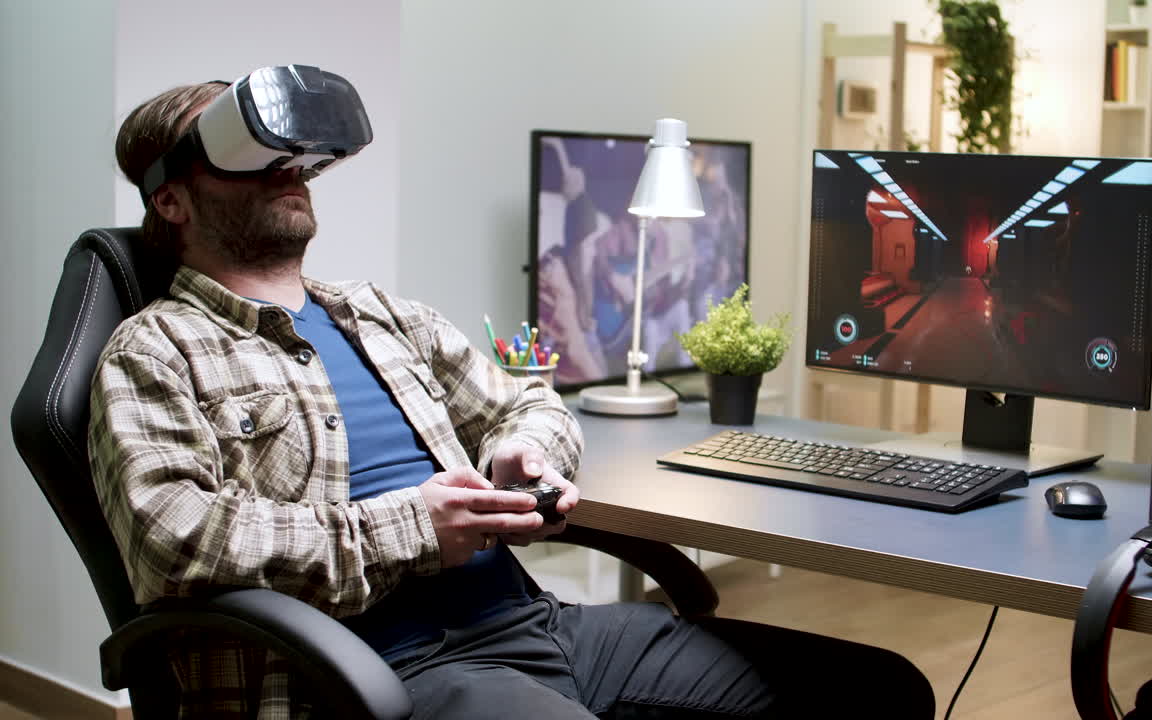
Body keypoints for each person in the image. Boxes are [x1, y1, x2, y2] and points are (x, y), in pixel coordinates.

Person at [89, 70, 935, 719]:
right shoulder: (154, 351)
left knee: (877, 690)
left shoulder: (380, 315)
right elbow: (176, 541)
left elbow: (525, 402)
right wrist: (414, 528)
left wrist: (523, 450)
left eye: (294, 157)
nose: (290, 172)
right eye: (248, 160)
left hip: (537, 625)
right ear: (171, 198)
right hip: (372, 670)